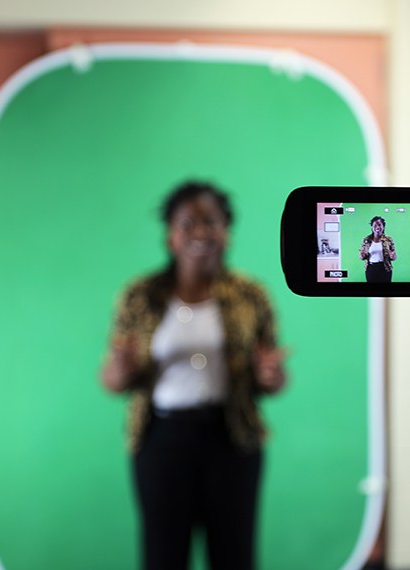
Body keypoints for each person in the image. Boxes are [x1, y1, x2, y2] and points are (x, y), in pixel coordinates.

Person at [100, 180, 287, 570]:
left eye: (212, 222)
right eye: (188, 223)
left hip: (231, 439)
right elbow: (114, 380)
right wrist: (120, 370)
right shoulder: (141, 295)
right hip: (162, 442)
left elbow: (272, 379)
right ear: (171, 236)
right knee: (163, 557)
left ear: (226, 233)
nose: (200, 232)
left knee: (234, 557)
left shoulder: (252, 295)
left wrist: (270, 375)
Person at [358, 215, 397, 283]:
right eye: (375, 225)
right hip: (371, 268)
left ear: (383, 227)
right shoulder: (366, 240)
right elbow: (362, 257)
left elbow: (394, 256)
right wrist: (362, 255)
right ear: (372, 227)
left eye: (379, 225)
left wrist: (393, 256)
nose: (377, 227)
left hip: (385, 268)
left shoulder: (389, 239)